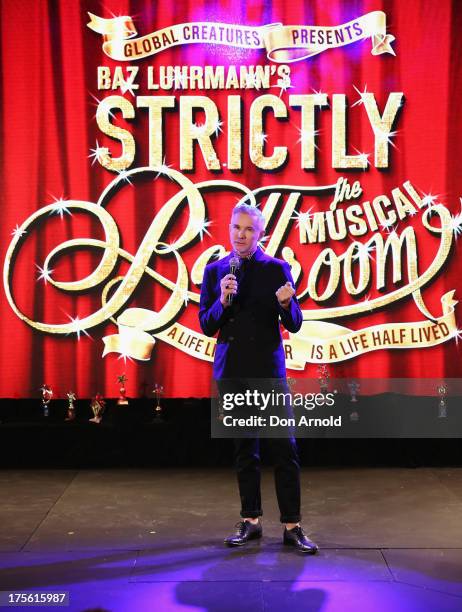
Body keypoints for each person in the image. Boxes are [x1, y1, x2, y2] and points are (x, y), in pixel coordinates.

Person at [199, 203, 318, 554]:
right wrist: (222, 299)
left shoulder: (277, 268)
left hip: (267, 373)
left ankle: (292, 526)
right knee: (244, 449)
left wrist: (285, 304)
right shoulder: (216, 271)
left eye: (249, 229)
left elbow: (295, 323)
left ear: (261, 233)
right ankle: (250, 521)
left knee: (284, 448)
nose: (241, 234)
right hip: (232, 371)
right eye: (236, 227)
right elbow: (207, 325)